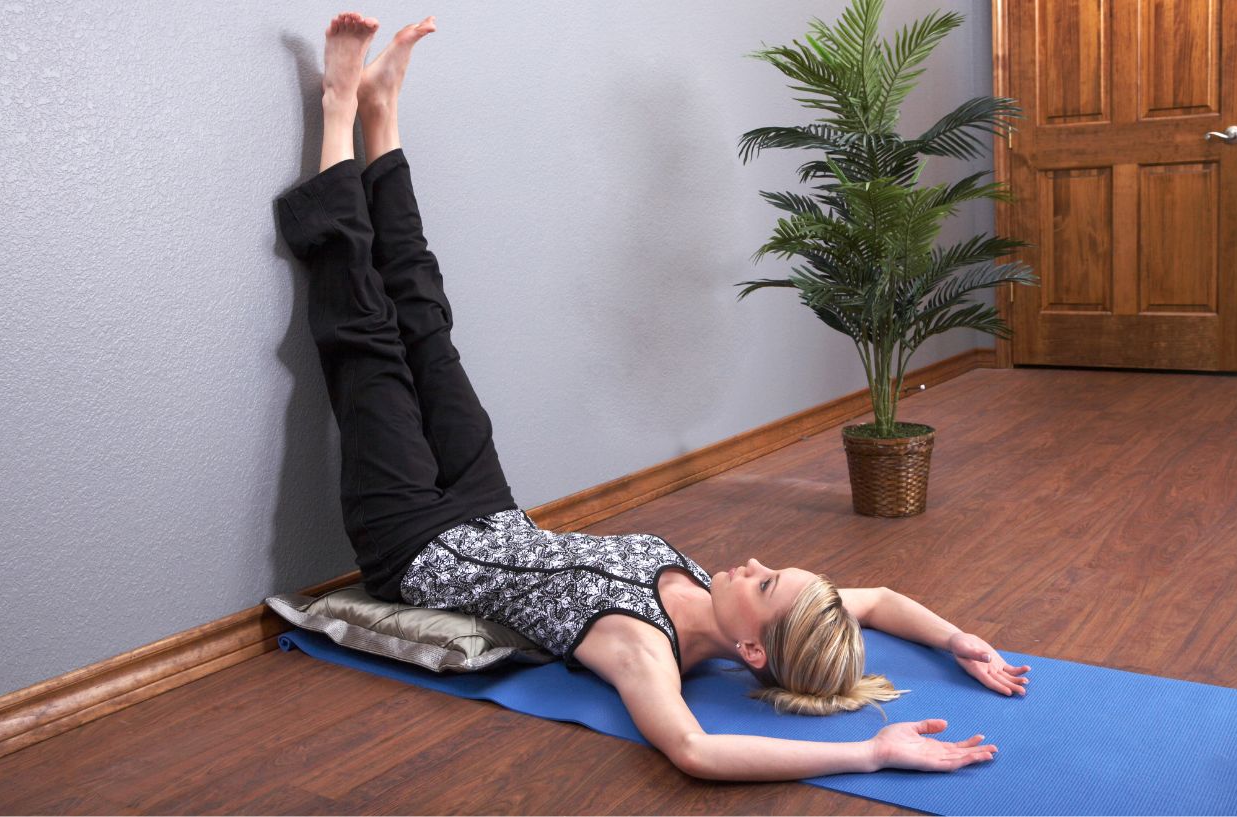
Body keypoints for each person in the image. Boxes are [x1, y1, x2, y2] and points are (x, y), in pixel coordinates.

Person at [276, 11, 1030, 783]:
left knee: (368, 342)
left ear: (750, 651)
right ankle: (384, 114)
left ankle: (341, 105)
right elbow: (876, 599)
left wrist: (869, 750)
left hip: (413, 545)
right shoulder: (719, 595)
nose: (753, 561)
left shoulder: (640, 647)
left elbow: (697, 749)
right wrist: (957, 639)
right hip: (489, 507)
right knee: (428, 323)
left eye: (765, 581)